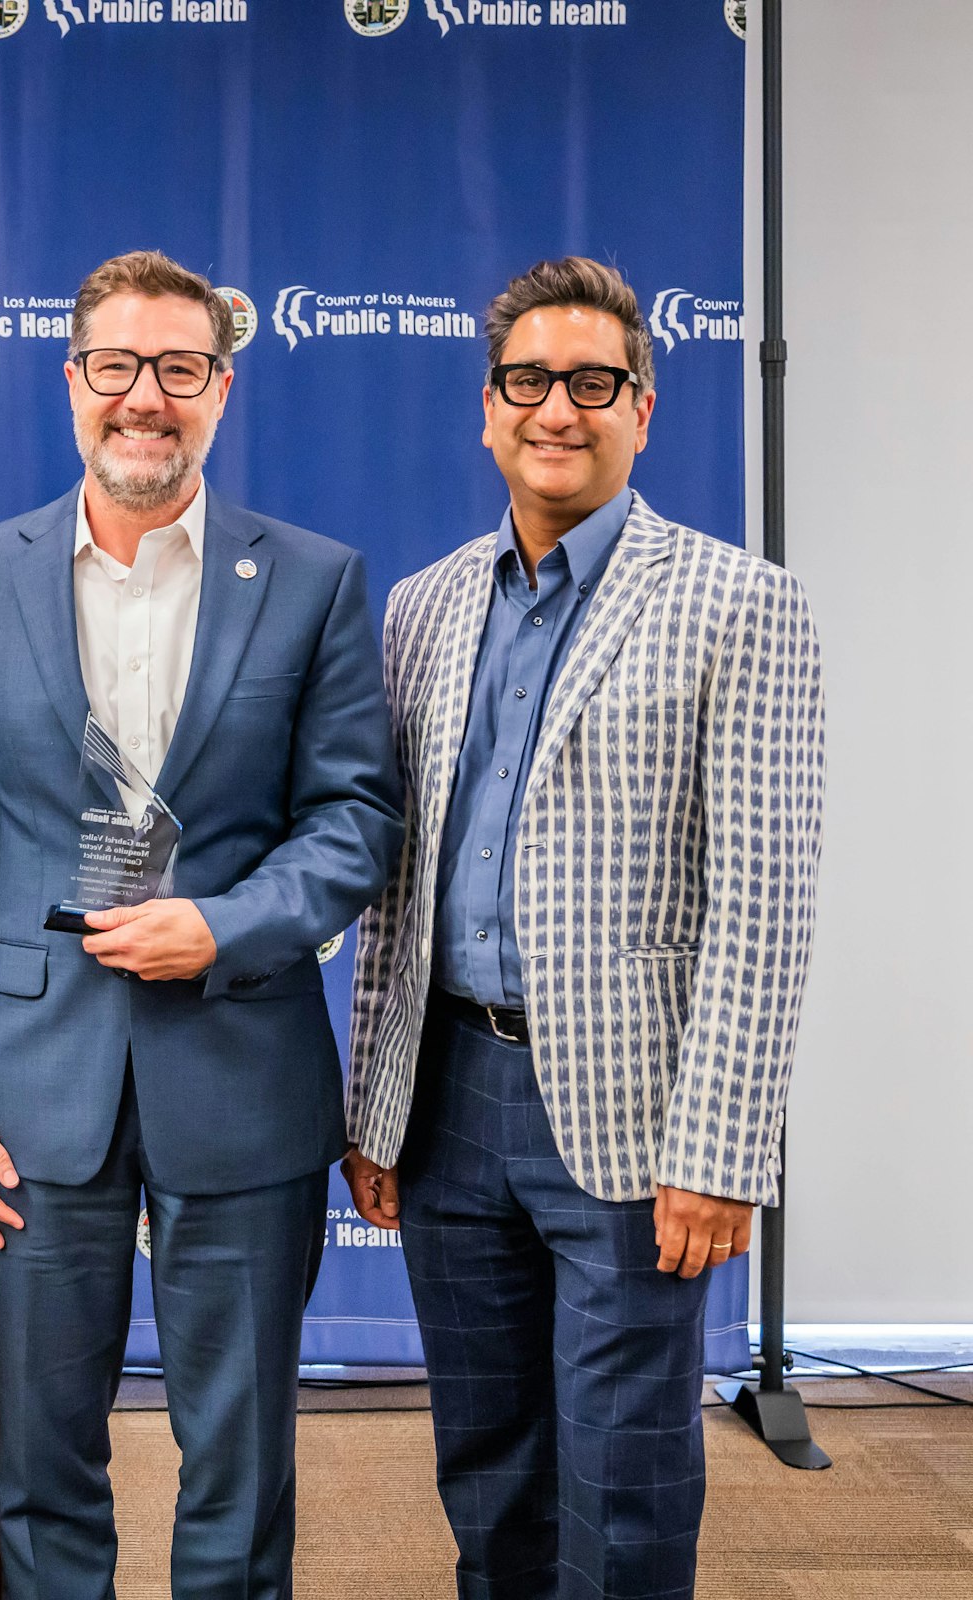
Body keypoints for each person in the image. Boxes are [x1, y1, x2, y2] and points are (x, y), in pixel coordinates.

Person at [0, 250, 403, 1597]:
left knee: (239, 1468)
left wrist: (230, 926)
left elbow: (356, 823)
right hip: (29, 1090)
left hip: (240, 1070)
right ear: (72, 382)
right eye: (118, 366)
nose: (147, 397)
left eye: (178, 369)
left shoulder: (311, 581)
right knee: (39, 1460)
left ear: (221, 390)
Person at [345, 257, 825, 1600]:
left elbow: (766, 901)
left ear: (644, 410)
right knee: (487, 1461)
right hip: (447, 1100)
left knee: (625, 1473)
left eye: (594, 383)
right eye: (530, 382)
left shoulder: (741, 603)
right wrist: (375, 1110)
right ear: (488, 411)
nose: (560, 409)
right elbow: (398, 880)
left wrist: (724, 1150)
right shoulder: (425, 608)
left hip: (633, 1122)